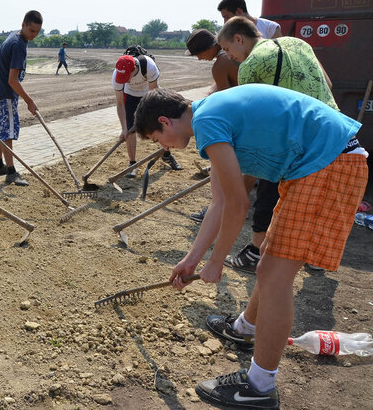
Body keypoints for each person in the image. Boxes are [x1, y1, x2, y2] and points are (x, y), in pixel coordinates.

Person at [135, 85, 367, 410]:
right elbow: (219, 203)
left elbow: (238, 204)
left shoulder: (208, 122)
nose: (163, 146)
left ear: (165, 121)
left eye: (158, 139)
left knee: (275, 277)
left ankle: (259, 387)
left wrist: (215, 262)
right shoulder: (209, 116)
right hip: (318, 164)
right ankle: (246, 328)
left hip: (328, 163)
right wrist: (192, 259)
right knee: (268, 267)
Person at [214, 16, 338, 274]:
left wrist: (238, 179)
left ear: (239, 38)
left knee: (268, 190)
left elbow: (255, 124)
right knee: (317, 201)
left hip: (296, 142)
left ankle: (256, 251)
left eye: (227, 49)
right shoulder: (299, 44)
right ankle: (313, 258)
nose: (229, 56)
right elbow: (328, 83)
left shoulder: (250, 66)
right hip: (336, 133)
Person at [184, 28, 239, 222]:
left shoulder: (220, 64)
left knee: (224, 167)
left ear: (209, 48)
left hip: (238, 120)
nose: (199, 59)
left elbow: (225, 101)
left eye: (198, 54)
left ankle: (217, 209)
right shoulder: (230, 55)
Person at [0, 10, 43, 186]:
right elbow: (12, 81)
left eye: (37, 32)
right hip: (6, 94)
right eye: (32, 31)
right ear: (23, 25)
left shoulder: (17, 37)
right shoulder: (18, 45)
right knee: (8, 131)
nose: (34, 35)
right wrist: (29, 100)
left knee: (0, 128)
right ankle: (11, 172)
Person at [112, 54, 182, 175]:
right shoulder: (116, 75)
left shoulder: (149, 66)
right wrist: (124, 128)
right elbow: (120, 104)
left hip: (149, 93)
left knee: (159, 125)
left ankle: (166, 154)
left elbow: (153, 95)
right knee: (130, 130)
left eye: (126, 77)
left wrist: (146, 116)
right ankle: (132, 164)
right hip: (130, 96)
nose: (124, 80)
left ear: (134, 69)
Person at [185, 29, 238, 93]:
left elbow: (225, 99)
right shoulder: (234, 48)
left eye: (198, 54)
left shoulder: (219, 66)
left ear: (208, 47)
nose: (199, 58)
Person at [217, 0, 282, 39]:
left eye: (227, 17)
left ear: (239, 11)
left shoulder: (270, 28)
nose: (225, 22)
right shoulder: (231, 34)